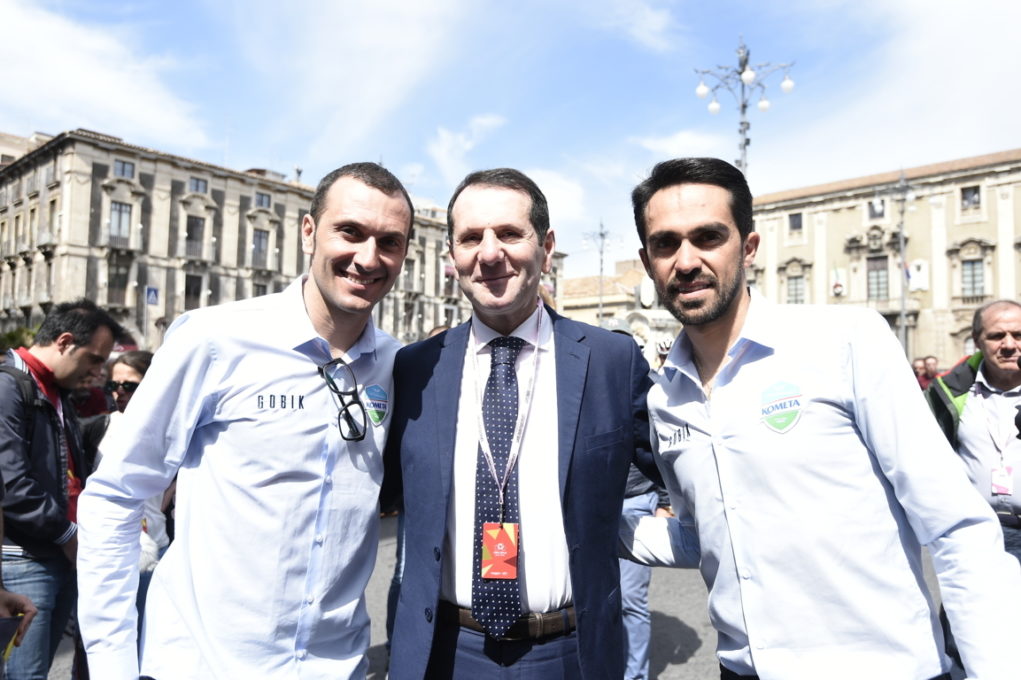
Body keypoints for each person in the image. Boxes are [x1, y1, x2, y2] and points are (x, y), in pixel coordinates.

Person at [619, 157, 1021, 679]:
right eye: (666, 243)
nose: (687, 260)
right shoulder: (665, 398)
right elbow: (708, 535)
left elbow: (956, 524)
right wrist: (592, 525)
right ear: (648, 262)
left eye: (708, 236)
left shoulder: (846, 340)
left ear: (749, 247)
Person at [77, 163, 414, 679]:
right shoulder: (213, 339)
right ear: (308, 232)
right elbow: (117, 496)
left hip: (336, 667)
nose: (368, 258)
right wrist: (111, 665)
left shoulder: (397, 366)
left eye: (389, 241)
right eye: (350, 231)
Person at [382, 168, 659, 679]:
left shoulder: (611, 361)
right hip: (445, 653)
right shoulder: (414, 368)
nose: (489, 254)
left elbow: (677, 478)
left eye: (509, 233)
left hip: (569, 654)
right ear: (452, 256)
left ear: (546, 245)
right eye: (470, 238)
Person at [0, 299, 123, 680]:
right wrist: (68, 534)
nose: (98, 372)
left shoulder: (52, 390)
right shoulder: (10, 385)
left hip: (58, 553)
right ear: (65, 341)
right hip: (26, 559)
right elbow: (11, 483)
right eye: (94, 359)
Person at [927, 300, 1021, 561]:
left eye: (1018, 335)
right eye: (997, 336)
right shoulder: (946, 392)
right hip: (974, 536)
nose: (1009, 345)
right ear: (977, 341)